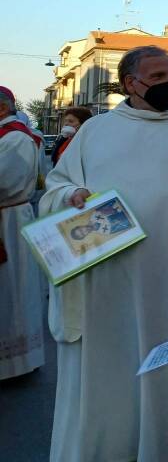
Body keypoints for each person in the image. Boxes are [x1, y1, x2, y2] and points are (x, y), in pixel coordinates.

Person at [41, 46, 168, 462]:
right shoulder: (95, 132)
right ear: (131, 84)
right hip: (107, 275)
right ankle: (109, 446)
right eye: (158, 76)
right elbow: (57, 186)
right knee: (110, 362)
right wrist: (73, 194)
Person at [0, 85, 45, 382]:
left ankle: (16, 362)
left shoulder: (15, 137)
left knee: (12, 290)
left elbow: (6, 180)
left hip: (9, 220)